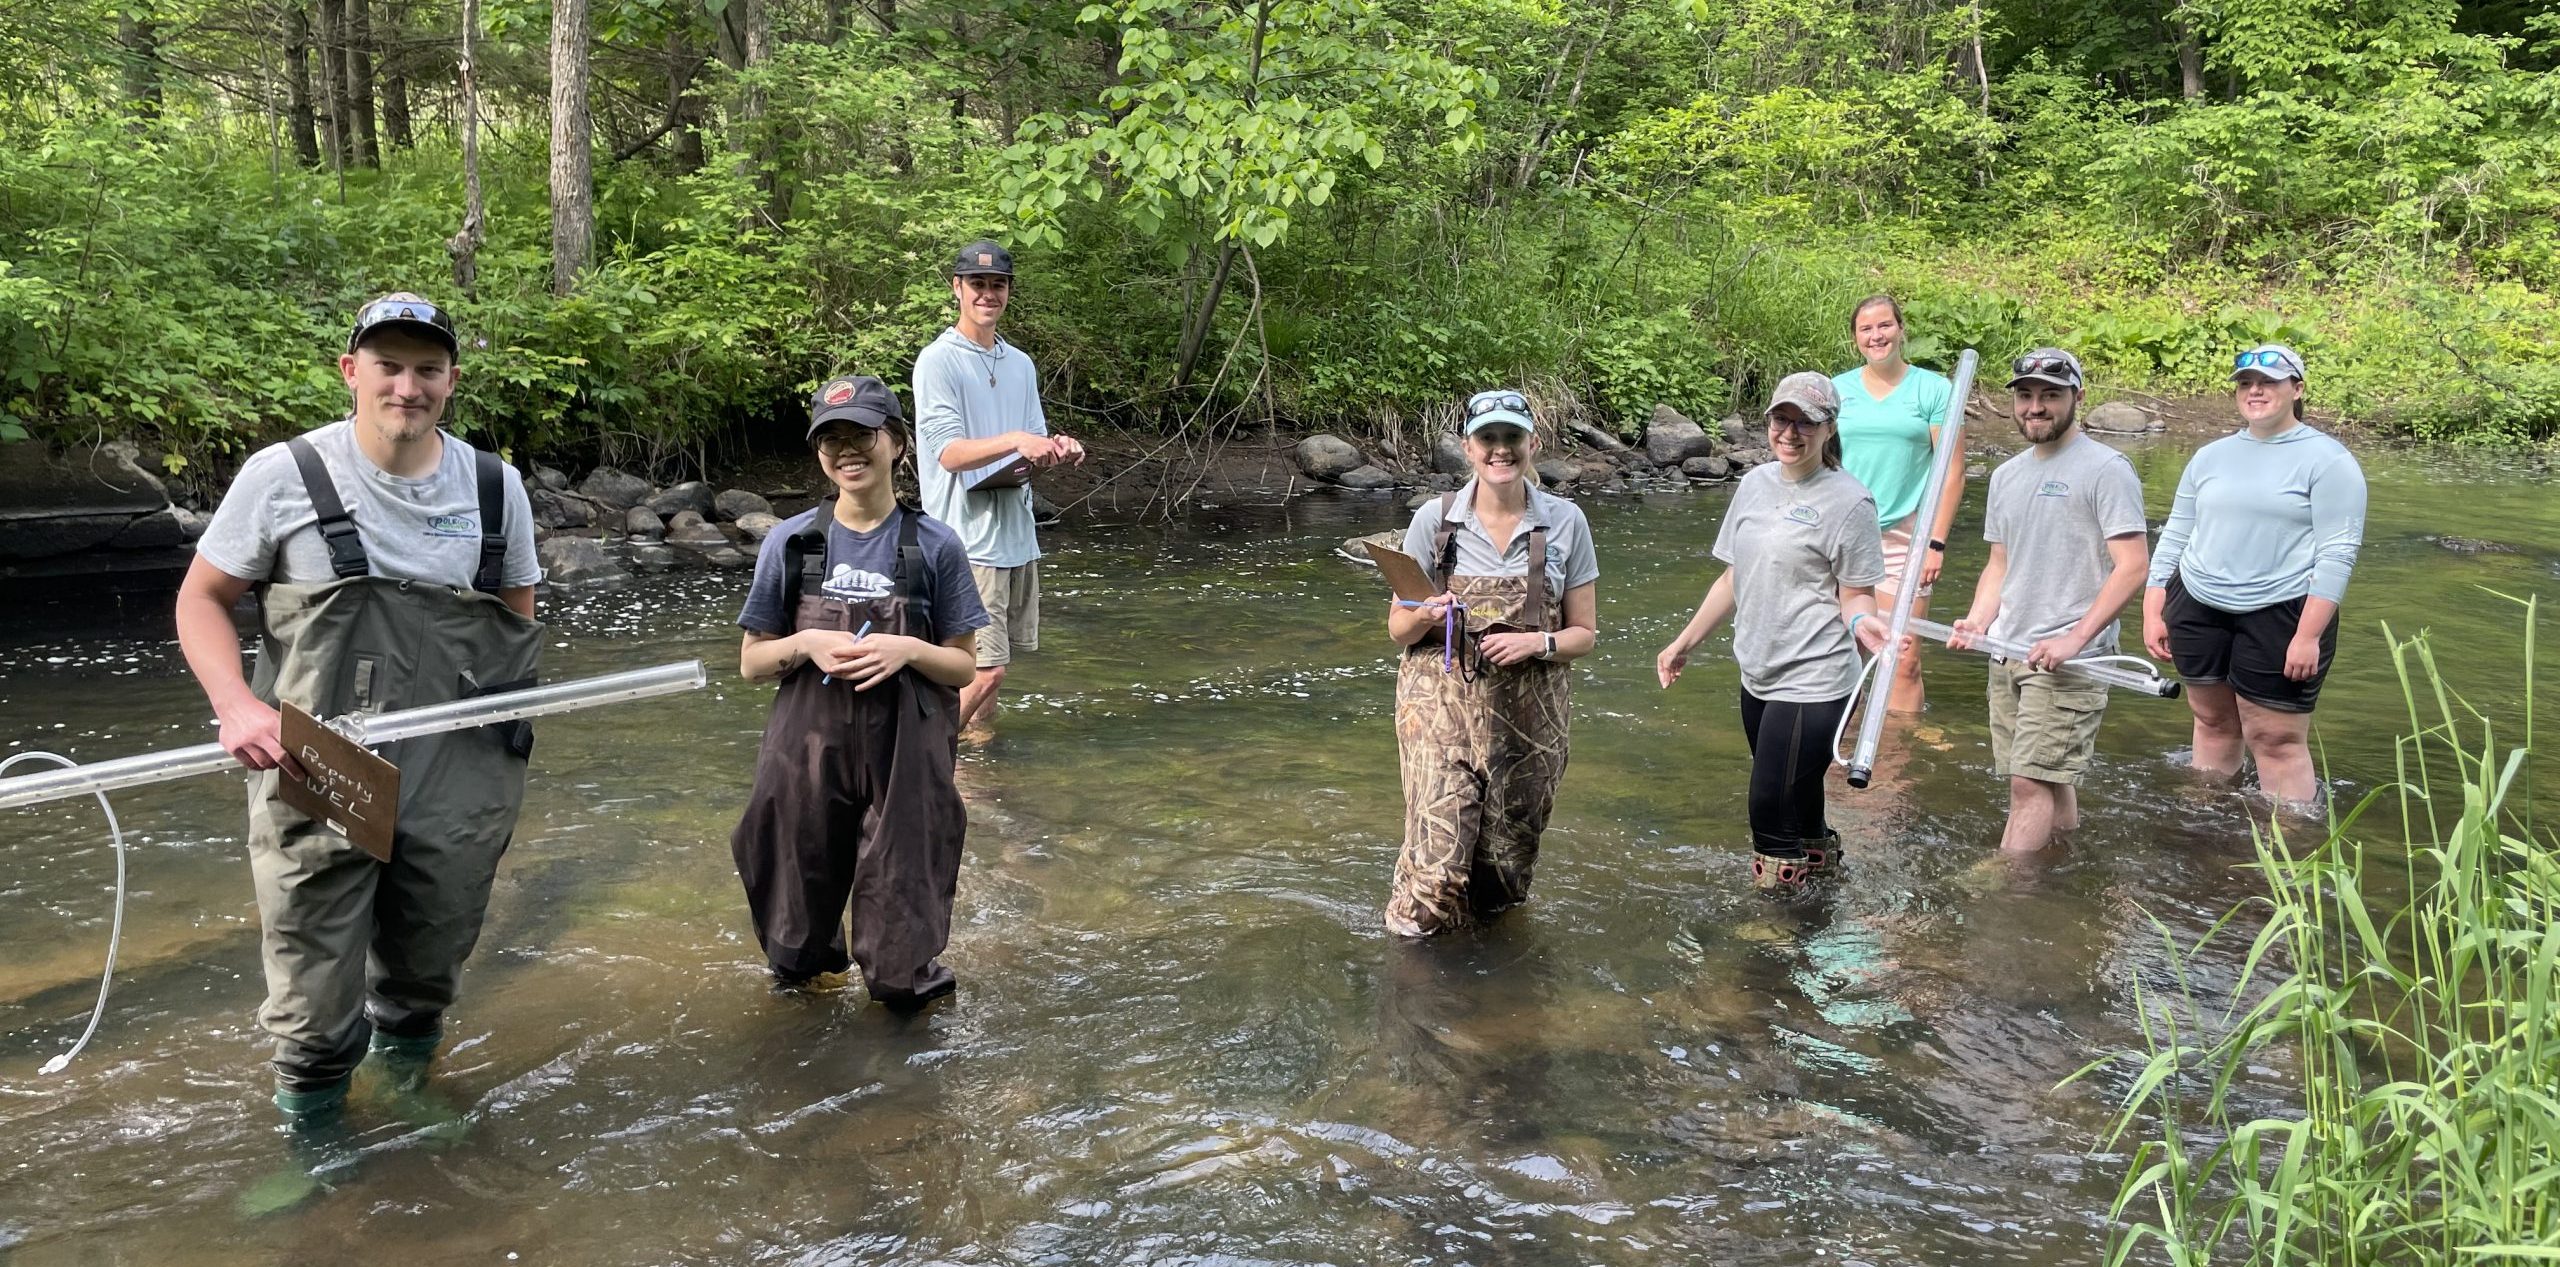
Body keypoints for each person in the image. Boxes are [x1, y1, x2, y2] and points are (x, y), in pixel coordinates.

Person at [172, 292, 543, 1122]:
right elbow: (201, 599)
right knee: (311, 974)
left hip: (459, 761)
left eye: (426, 369)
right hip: (316, 756)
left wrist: (496, 752)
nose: (406, 386)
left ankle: (407, 1083)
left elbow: (515, 622)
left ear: (451, 380)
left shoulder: (495, 486)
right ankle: (313, 1137)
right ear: (351, 372)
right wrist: (236, 705)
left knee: (432, 955)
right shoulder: (283, 475)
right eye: (388, 366)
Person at [730, 375, 988, 1008]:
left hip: (906, 752)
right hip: (806, 750)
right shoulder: (789, 543)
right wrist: (804, 645)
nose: (846, 452)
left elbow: (962, 667)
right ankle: (815, 1047)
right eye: (830, 440)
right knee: (796, 946)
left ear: (896, 443)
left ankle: (904, 1073)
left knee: (903, 960)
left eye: (861, 435)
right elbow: (752, 663)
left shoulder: (935, 545)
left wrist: (908, 650)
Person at [1656, 373, 1889, 891]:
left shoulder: (1851, 503)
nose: (1791, 432)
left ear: (1829, 429)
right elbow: (1734, 575)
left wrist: (1862, 621)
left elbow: (1856, 593)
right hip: (1758, 672)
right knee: (1798, 802)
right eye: (1782, 419)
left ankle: (1776, 927)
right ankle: (1823, 897)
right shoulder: (1756, 484)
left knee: (1769, 807)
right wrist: (1683, 643)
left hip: (1818, 678)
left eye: (1806, 421)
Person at [1384, 389, 1599, 937]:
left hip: (1532, 724)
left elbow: (1584, 635)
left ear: (1531, 443)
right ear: (1468, 447)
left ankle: (1490, 991)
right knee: (1434, 878)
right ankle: (1412, 997)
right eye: (1487, 439)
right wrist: (1426, 610)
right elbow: (1398, 630)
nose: (1499, 450)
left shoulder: (1567, 522)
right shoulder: (1434, 522)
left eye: (1511, 438)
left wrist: (1538, 644)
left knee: (1503, 875)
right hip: (1437, 716)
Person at [2142, 344, 2366, 810]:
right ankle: (2203, 827)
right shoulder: (2209, 457)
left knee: (2276, 738)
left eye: (2269, 382)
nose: (2255, 391)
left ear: (2297, 389)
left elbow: (2337, 554)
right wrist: (2153, 603)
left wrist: (2308, 635)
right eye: (2246, 383)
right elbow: (2176, 531)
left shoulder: (2329, 461)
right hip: (2198, 604)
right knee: (2211, 722)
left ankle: (2290, 851)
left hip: (2284, 611)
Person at [1945, 349, 2151, 853]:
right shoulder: (2005, 476)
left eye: (2050, 396)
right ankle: (2060, 870)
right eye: (2025, 396)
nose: (2035, 407)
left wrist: (2076, 638)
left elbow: (2133, 566)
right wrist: (1976, 621)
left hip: (2071, 659)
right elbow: (2000, 565)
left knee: (2027, 783)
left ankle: (2007, 894)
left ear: (2077, 398)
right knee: (2049, 777)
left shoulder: (2107, 469)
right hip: (2009, 650)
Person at [911, 239, 1086, 745]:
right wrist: (1014, 439)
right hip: (963, 539)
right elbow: (947, 453)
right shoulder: (938, 360)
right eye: (977, 284)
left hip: (1015, 535)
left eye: (998, 285)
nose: (988, 294)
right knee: (984, 672)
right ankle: (925, 760)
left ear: (1008, 292)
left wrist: (1058, 447)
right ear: (957, 289)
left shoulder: (1021, 364)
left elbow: (1030, 445)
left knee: (991, 679)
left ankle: (974, 772)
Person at [1833, 294, 1960, 714]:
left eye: (1884, 325)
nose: (1876, 336)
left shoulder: (1933, 389)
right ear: (1855, 338)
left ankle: (1897, 762)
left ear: (1901, 329)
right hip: (1842, 533)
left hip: (1907, 535)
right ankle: (1841, 749)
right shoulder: (1838, 390)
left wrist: (1935, 542)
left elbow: (1952, 472)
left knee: (1902, 658)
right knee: (1842, 651)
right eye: (1866, 329)